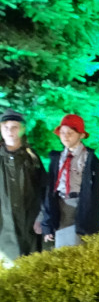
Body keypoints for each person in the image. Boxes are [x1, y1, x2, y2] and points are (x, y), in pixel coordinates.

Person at [41, 114, 99, 249]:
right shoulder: (57, 158)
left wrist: (93, 224)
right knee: (62, 250)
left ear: (81, 135)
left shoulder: (90, 159)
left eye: (70, 132)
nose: (65, 136)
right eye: (62, 132)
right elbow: (50, 191)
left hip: (80, 207)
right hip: (61, 206)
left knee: (78, 248)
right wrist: (48, 223)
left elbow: (97, 194)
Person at [0, 110, 45, 267]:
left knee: (30, 270)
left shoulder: (32, 158)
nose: (10, 131)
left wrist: (41, 217)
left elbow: (42, 189)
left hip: (29, 226)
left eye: (14, 127)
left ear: (22, 129)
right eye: (5, 127)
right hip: (3, 229)